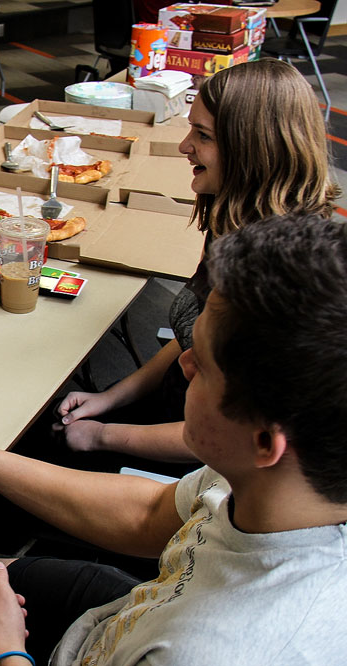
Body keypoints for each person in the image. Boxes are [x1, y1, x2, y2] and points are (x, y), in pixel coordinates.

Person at [0, 212, 347, 665]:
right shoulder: (272, 480)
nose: (182, 365)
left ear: (266, 443)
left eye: (201, 366)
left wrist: (4, 654)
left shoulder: (205, 650)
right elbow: (149, 514)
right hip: (133, 612)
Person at [49, 58, 339, 470]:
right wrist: (112, 397)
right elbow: (195, 343)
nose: (185, 146)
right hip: (179, 410)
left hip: (200, 452)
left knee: (4, 487)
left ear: (250, 149)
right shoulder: (234, 223)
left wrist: (102, 434)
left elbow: (229, 436)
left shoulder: (278, 279)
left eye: (201, 135)